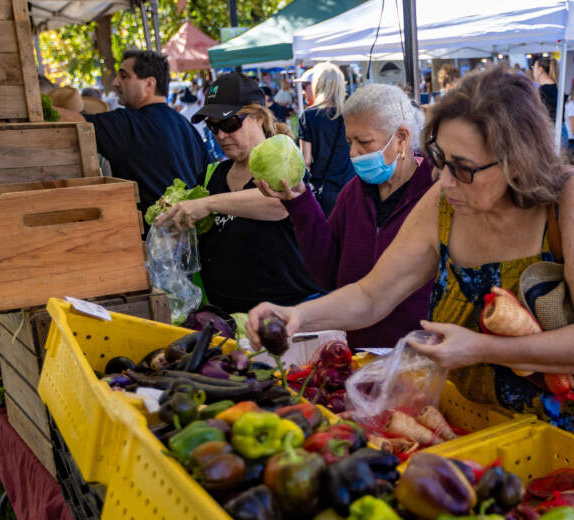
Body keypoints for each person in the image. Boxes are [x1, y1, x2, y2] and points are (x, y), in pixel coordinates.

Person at [247, 66, 574, 437]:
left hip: (556, 430)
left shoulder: (571, 197)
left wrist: (483, 349)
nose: (445, 179)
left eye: (463, 167)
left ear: (517, 159)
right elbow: (371, 295)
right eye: (440, 160)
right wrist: (295, 315)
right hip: (457, 420)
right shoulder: (445, 200)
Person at [254, 83, 434, 348]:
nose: (353, 153)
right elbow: (327, 274)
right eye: (349, 142)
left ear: (402, 138)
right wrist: (300, 203)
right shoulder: (353, 194)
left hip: (420, 357)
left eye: (364, 142)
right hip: (359, 354)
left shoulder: (435, 192)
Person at [155, 73, 322, 314]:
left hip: (287, 316)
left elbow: (279, 203)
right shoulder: (212, 176)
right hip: (226, 319)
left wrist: (208, 204)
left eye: (229, 123)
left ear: (259, 117)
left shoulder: (285, 162)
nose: (221, 135)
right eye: (213, 126)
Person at [51, 50, 207, 217]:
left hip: (153, 238)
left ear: (149, 84)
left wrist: (34, 107)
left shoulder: (127, 124)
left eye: (124, 76)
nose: (116, 82)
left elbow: (73, 121)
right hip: (189, 236)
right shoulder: (187, 127)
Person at [299, 63, 356, 216]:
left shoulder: (308, 116)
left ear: (318, 85)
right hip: (352, 185)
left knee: (325, 237)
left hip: (323, 190)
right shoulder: (352, 113)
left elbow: (306, 160)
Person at [531, 55, 559, 123]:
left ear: (540, 69)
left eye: (534, 67)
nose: (533, 71)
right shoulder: (556, 87)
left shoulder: (543, 91)